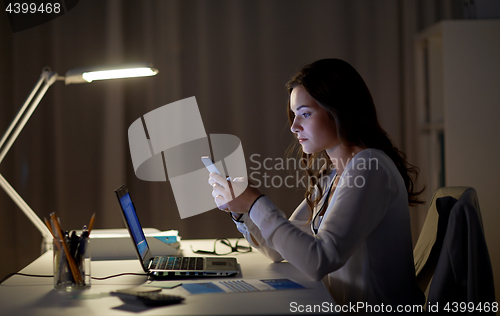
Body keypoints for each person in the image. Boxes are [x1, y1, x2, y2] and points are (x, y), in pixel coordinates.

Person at [208, 59, 425, 310]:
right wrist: (242, 210)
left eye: (305, 114)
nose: (294, 126)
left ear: (339, 110)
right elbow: (281, 251)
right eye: (294, 114)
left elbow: (318, 260)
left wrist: (255, 202)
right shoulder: (333, 173)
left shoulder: (370, 167)